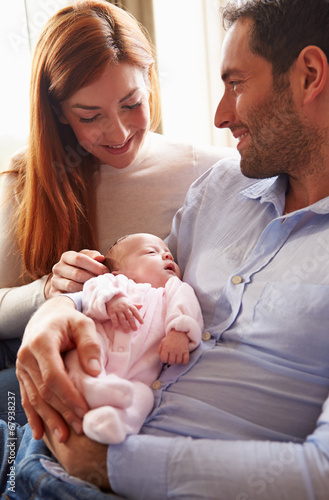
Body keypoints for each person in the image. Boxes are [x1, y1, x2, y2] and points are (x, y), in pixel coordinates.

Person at [3, 0, 329, 498]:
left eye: (236, 83)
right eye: (89, 115)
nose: (219, 115)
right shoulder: (221, 185)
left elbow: (323, 472)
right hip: (45, 442)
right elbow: (142, 276)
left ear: (310, 75)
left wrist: (109, 465)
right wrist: (55, 313)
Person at [0, 0, 233, 408]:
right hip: (52, 384)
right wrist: (47, 292)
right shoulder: (27, 182)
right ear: (58, 113)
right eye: (90, 116)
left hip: (160, 392)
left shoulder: (213, 172)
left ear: (150, 82)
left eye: (131, 104)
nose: (120, 132)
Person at [65, 233, 202, 444]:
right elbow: (93, 290)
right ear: (121, 271)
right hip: (98, 351)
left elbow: (186, 307)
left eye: (170, 255)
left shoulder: (174, 289)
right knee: (76, 357)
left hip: (138, 375)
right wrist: (112, 300)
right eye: (151, 252)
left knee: (144, 397)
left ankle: (116, 422)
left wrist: (179, 332)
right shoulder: (115, 282)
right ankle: (91, 388)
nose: (167, 255)